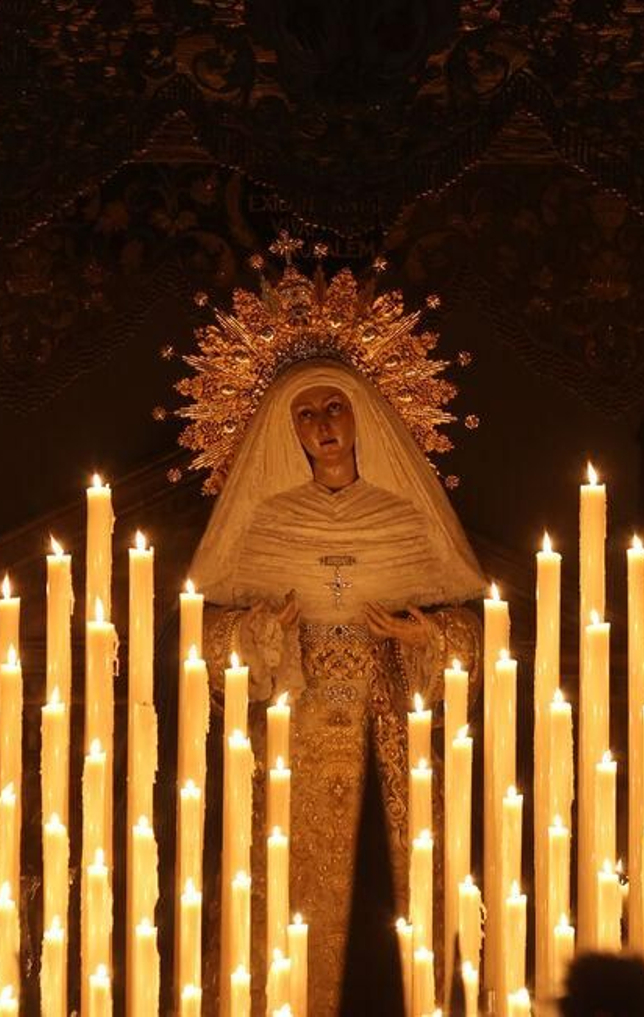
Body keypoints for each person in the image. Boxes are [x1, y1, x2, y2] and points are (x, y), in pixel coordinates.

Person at [190, 359, 485, 1014]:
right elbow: (206, 640)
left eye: (335, 407)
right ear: (287, 430)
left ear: (361, 417)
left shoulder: (405, 519)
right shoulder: (266, 523)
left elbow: (469, 628)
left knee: (397, 905)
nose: (324, 424)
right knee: (292, 905)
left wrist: (426, 640)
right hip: (294, 747)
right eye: (306, 412)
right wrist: (259, 632)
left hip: (390, 740)